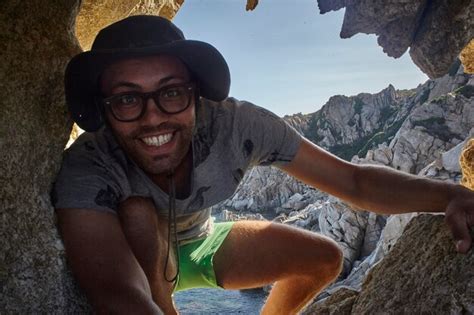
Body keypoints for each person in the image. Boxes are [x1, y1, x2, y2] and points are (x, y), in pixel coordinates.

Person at [53, 15, 474, 314]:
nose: (152, 118)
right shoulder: (87, 166)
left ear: (197, 94)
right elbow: (116, 297)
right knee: (138, 211)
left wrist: (451, 194)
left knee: (325, 258)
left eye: (171, 93)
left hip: (202, 245)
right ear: (104, 109)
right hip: (137, 256)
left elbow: (355, 181)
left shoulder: (237, 126)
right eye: (127, 99)